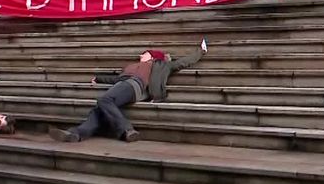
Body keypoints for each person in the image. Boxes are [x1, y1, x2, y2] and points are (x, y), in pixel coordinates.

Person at [49, 38, 208, 144]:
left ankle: (127, 129)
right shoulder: (131, 67)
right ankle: (75, 134)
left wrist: (200, 51)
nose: (140, 55)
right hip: (124, 84)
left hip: (136, 85)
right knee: (100, 109)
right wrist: (98, 78)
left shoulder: (161, 65)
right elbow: (118, 79)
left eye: (144, 53)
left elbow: (184, 62)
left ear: (152, 56)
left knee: (104, 100)